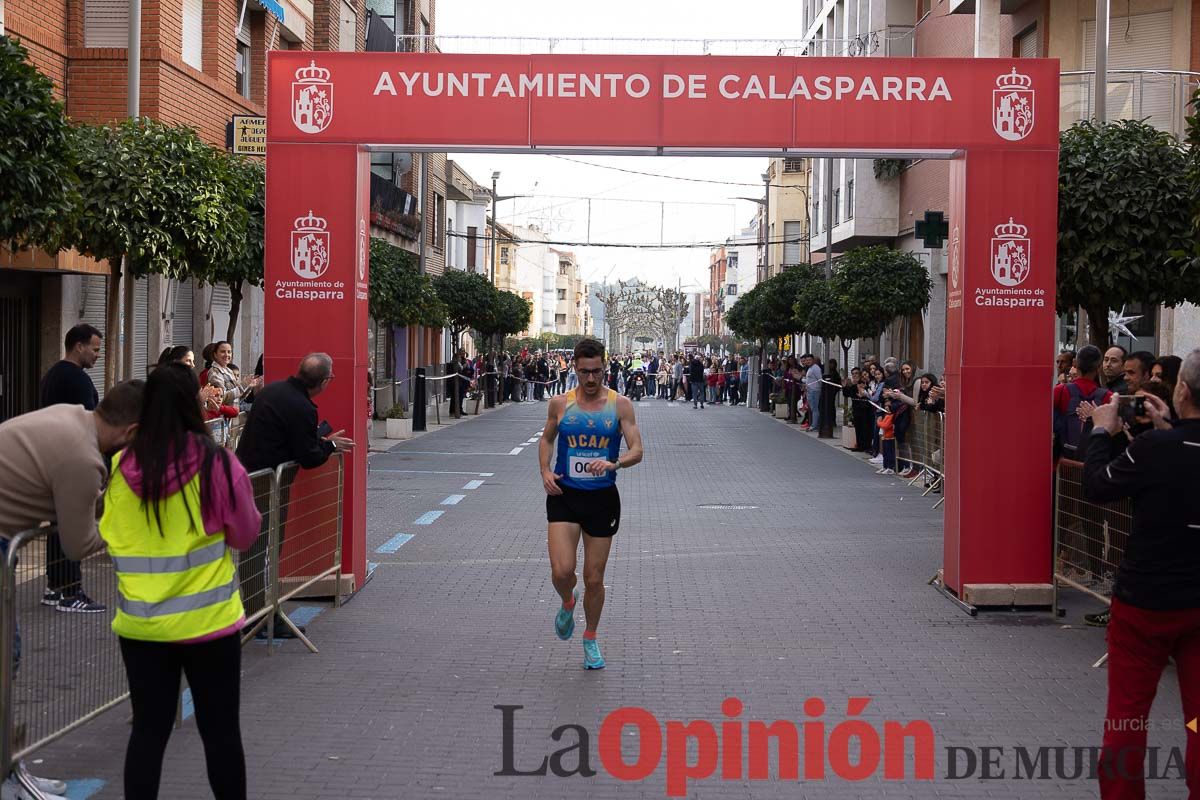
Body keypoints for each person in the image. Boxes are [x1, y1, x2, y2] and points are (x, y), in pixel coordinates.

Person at [98, 365, 261, 800]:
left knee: (148, 734)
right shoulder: (217, 464)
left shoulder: (121, 466)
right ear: (196, 401)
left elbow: (110, 535)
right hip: (210, 625)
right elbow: (245, 534)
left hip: (142, 626)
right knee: (221, 733)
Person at [0, 379, 143, 800]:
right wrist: (130, 531)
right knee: (7, 658)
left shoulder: (71, 416)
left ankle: (10, 769)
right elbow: (79, 544)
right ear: (132, 432)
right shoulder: (83, 460)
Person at [1082, 349, 1200, 799]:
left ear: (1182, 390)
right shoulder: (1166, 443)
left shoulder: (1153, 448)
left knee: (1128, 717)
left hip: (1144, 605)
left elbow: (1097, 486)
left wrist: (1100, 430)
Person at [540, 339, 643, 670]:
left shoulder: (620, 405)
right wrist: (544, 470)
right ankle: (567, 602)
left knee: (594, 579)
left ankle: (590, 638)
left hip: (602, 499)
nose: (590, 378)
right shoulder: (560, 404)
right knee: (562, 571)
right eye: (584, 372)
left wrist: (616, 464)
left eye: (596, 371)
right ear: (575, 368)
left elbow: (637, 449)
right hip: (564, 495)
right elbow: (547, 439)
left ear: (605, 367)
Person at [234, 353, 354, 636]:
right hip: (267, 484)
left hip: (247, 476)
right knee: (263, 552)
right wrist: (329, 446)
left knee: (255, 552)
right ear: (324, 381)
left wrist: (320, 441)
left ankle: (259, 612)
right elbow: (308, 456)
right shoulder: (302, 406)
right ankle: (259, 617)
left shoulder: (272, 390)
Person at [38, 323, 107, 613]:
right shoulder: (76, 380)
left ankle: (55, 586)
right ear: (78, 346)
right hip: (73, 463)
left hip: (54, 459)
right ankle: (70, 591)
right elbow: (88, 423)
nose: (97, 355)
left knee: (58, 524)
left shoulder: (53, 375)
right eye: (94, 349)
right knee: (73, 524)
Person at [1053, 345, 1113, 461]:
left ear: (1075, 365)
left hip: (1064, 462)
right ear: (1099, 367)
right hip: (1094, 462)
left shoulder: (1060, 391)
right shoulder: (1109, 396)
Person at [804, 354, 823, 431]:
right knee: (813, 408)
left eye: (809, 360)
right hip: (810, 390)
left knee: (815, 408)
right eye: (807, 360)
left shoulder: (815, 368)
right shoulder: (810, 368)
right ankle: (814, 424)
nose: (808, 361)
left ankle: (815, 426)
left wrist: (819, 389)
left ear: (813, 360)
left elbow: (820, 380)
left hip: (814, 391)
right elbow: (810, 380)